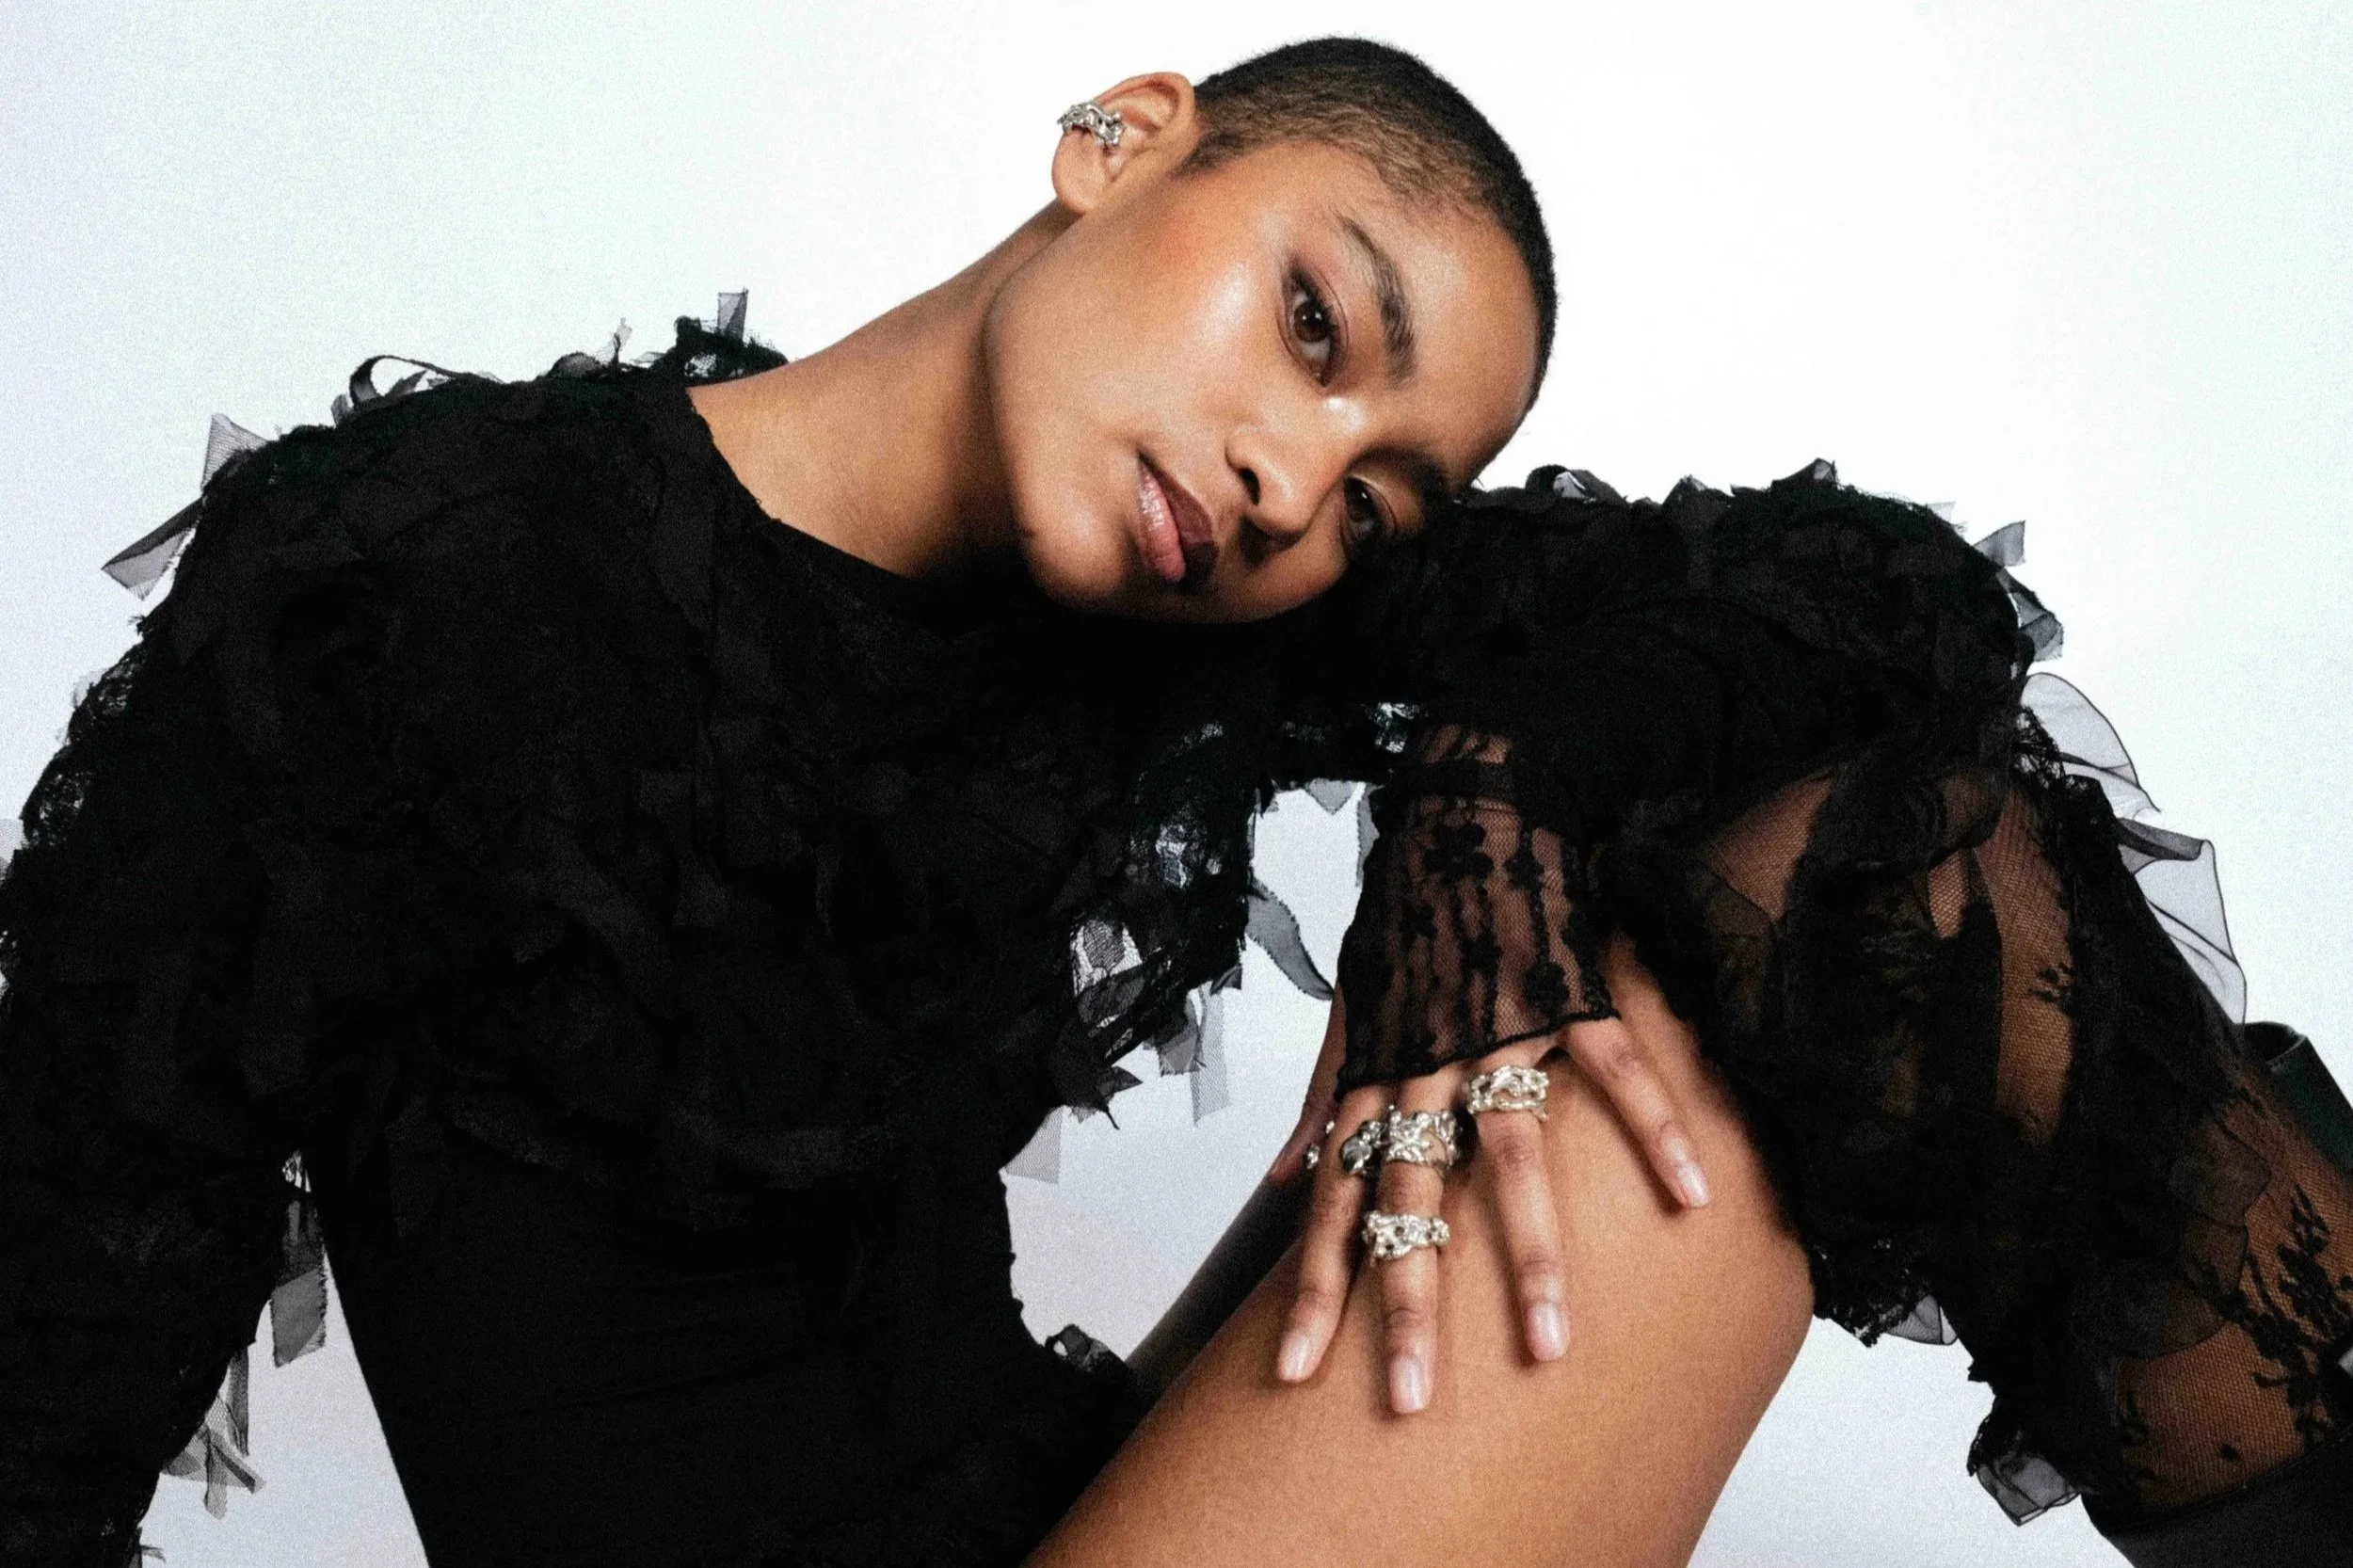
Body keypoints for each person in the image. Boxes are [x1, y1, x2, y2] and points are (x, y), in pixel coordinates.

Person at [0, 37, 1631, 1568]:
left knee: (1731, 904)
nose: (1293, 485)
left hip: (1069, 1505)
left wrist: (1471, 832)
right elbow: (48, 1388)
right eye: (1313, 323)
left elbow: (1778, 601)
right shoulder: (411, 575)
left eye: (1374, 506)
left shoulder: (1180, 615)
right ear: (1121, 143)